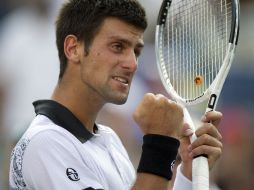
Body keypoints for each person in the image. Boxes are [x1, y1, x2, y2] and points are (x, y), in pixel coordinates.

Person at [9, 0, 223, 189]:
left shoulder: (110, 140)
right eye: (118, 46)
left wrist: (188, 172)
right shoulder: (44, 142)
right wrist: (159, 143)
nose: (132, 64)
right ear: (73, 49)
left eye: (136, 52)